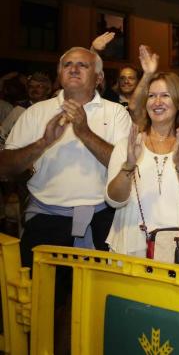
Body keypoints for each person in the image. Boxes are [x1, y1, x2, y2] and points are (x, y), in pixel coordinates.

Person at [0, 47, 131, 267]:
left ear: (98, 77)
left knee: (95, 298)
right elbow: (4, 168)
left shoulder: (116, 112)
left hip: (102, 221)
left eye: (83, 65)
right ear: (60, 75)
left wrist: (84, 132)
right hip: (44, 219)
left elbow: (125, 167)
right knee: (41, 298)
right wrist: (42, 143)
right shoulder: (36, 112)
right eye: (68, 64)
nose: (74, 69)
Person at [105, 72, 179, 265]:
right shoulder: (126, 145)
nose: (157, 101)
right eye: (151, 96)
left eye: (165, 95)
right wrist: (128, 165)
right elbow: (113, 200)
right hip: (130, 247)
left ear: (178, 104)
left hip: (178, 251)